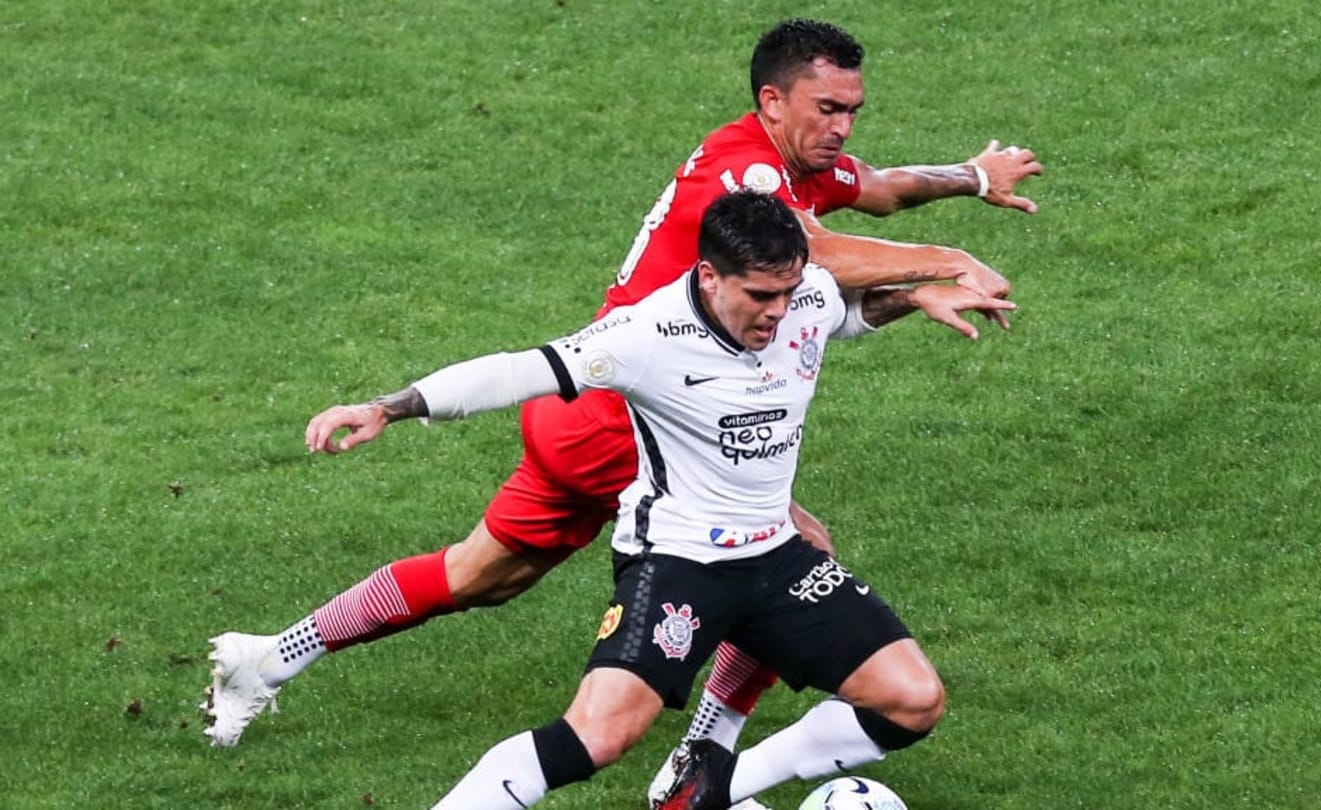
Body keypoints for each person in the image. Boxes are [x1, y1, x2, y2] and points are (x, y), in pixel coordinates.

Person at [203, 20, 1042, 801]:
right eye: (829, 109)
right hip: (635, 411)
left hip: (591, 410)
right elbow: (817, 257)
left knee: (480, 575)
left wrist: (972, 179)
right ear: (772, 101)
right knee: (783, 545)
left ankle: (270, 657)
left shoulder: (788, 162)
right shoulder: (743, 177)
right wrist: (950, 261)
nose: (844, 128)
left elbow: (882, 193)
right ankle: (702, 765)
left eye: (853, 111)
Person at [303, 192, 1015, 808]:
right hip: (679, 562)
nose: (778, 314)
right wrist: (387, 408)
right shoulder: (646, 335)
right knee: (599, 735)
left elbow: (842, 313)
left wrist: (916, 296)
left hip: (777, 559)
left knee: (913, 700)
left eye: (789, 292)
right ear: (709, 276)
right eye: (760, 297)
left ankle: (708, 788)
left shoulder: (803, 298)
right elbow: (517, 371)